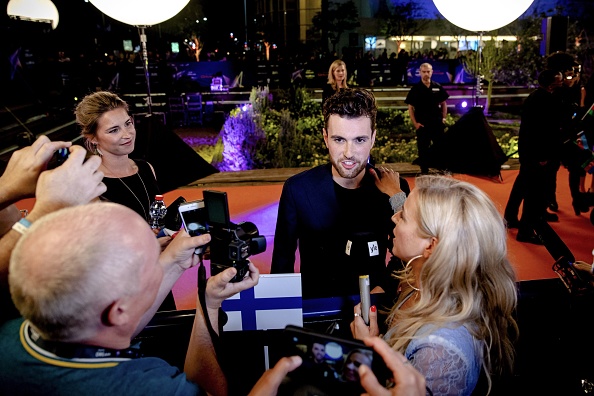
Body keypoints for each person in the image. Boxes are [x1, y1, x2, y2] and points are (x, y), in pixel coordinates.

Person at [351, 175, 519, 395]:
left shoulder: (438, 353)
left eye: (404, 217)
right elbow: (423, 226)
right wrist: (394, 192)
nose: (394, 218)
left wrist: (367, 349)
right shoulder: (432, 276)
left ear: (431, 246)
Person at [271, 88, 410, 298]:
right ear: (326, 138)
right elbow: (282, 263)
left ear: (373, 138)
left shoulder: (394, 188)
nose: (348, 153)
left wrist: (385, 286)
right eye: (339, 140)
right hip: (317, 314)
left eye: (360, 140)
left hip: (375, 308)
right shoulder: (298, 189)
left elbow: (410, 252)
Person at [75, 91, 176, 309]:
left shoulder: (146, 168)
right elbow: (97, 251)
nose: (127, 134)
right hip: (121, 290)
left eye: (128, 124)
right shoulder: (90, 181)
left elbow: (157, 218)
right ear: (92, 138)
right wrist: (147, 248)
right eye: (114, 130)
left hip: (158, 275)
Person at [504, 70, 564, 243]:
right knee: (534, 194)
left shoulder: (536, 97)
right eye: (559, 80)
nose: (562, 82)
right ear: (552, 84)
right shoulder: (544, 100)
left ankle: (512, 218)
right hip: (538, 156)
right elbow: (541, 131)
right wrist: (542, 156)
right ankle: (526, 230)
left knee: (523, 187)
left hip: (530, 153)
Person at [405, 63, 449, 174]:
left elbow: (444, 103)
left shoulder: (437, 87)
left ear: (432, 72)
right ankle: (424, 171)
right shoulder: (415, 89)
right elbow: (410, 107)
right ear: (420, 73)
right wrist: (415, 123)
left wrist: (443, 118)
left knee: (440, 147)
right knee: (423, 149)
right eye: (424, 72)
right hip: (423, 125)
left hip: (437, 124)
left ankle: (441, 169)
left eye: (428, 71)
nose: (426, 74)